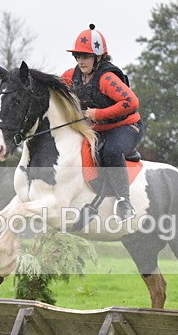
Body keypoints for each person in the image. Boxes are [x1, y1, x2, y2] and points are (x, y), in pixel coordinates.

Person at [61, 24, 142, 219]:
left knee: (110, 151)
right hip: (97, 130)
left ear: (98, 57)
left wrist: (98, 114)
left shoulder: (107, 78)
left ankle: (125, 202)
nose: (81, 61)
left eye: (86, 56)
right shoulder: (71, 76)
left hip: (126, 127)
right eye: (78, 56)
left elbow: (132, 102)